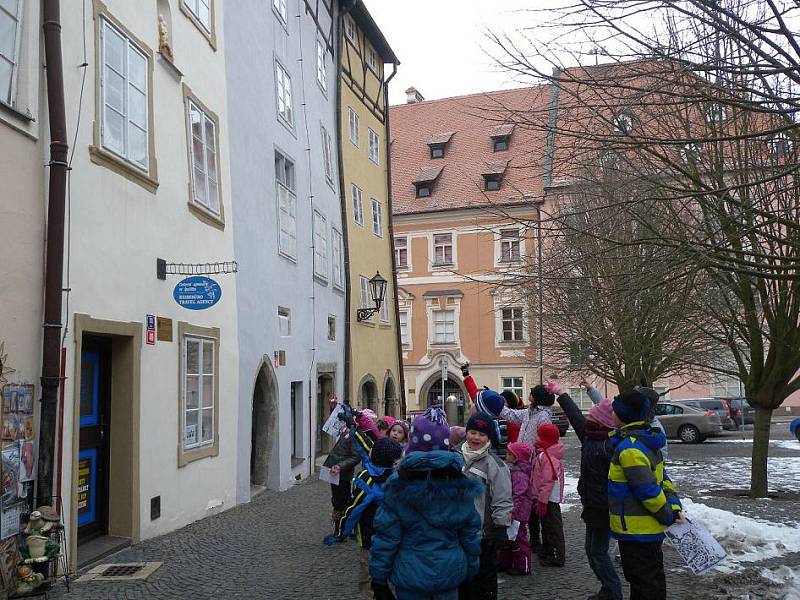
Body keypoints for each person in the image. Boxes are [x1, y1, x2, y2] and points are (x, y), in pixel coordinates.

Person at [370, 407, 483, 600]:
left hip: (410, 575)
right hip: (450, 572)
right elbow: (470, 535)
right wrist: (471, 571)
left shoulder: (398, 484)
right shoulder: (460, 483)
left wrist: (378, 579)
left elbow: (386, 537)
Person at [609, 389, 683, 600]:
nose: (611, 415)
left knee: (643, 584)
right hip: (646, 529)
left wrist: (668, 514)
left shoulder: (630, 448)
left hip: (636, 529)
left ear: (624, 416)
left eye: (615, 412)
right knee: (653, 580)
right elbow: (664, 479)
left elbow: (648, 491)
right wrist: (674, 505)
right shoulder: (646, 440)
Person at [552, 382, 622, 600]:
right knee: (592, 551)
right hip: (592, 503)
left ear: (602, 421)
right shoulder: (590, 435)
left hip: (604, 506)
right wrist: (562, 394)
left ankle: (613, 592)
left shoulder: (612, 445)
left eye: (593, 415)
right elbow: (575, 416)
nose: (588, 417)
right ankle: (608, 589)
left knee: (598, 552)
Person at [325, 437, 404, 600]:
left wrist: (341, 532)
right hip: (396, 537)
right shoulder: (400, 477)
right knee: (391, 575)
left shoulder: (367, 478)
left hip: (369, 538)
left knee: (368, 577)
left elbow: (354, 509)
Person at [458, 412, 514, 600]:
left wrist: (501, 527)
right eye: (472, 432)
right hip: (457, 532)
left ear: (489, 438)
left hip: (482, 535)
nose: (476, 437)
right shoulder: (455, 458)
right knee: (461, 581)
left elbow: (502, 498)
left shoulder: (495, 465)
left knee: (484, 580)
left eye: (482, 434)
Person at [500, 384, 554, 555]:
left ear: (537, 397)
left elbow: (545, 441)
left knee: (533, 503)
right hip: (522, 462)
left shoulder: (543, 416)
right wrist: (495, 404)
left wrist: (536, 459)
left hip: (533, 465)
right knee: (526, 502)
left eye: (531, 392)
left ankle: (540, 542)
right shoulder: (529, 412)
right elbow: (511, 415)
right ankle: (533, 540)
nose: (528, 394)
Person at [322, 404, 376, 525]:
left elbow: (355, 457)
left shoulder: (355, 435)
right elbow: (335, 420)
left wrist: (340, 466)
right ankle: (339, 523)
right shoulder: (347, 429)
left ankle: (342, 526)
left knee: (342, 500)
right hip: (334, 470)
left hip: (342, 473)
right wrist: (332, 407)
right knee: (336, 499)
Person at [497, 441, 534, 576]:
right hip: (513, 511)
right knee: (508, 538)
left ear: (517, 457)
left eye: (509, 454)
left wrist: (513, 510)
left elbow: (518, 495)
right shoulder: (513, 470)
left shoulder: (520, 474)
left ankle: (523, 566)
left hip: (518, 513)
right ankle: (504, 562)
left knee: (518, 539)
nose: (506, 456)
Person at [531, 423, 565, 568]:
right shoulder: (546, 452)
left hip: (548, 499)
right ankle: (548, 551)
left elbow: (548, 480)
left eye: (538, 435)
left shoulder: (547, 456)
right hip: (546, 498)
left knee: (552, 528)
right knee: (547, 526)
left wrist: (542, 501)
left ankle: (556, 556)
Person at [459, 364, 508, 460]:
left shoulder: (495, 426)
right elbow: (472, 390)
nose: (473, 406)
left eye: (476, 405)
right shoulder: (488, 407)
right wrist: (466, 374)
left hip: (495, 463)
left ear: (482, 409)